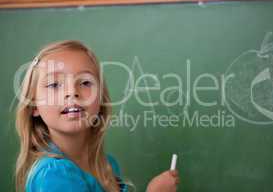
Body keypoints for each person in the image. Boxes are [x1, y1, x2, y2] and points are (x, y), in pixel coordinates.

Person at [14, 40, 179, 192]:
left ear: (100, 100)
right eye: (54, 84)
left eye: (85, 82)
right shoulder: (53, 175)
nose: (72, 92)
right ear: (33, 106)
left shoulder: (106, 165)